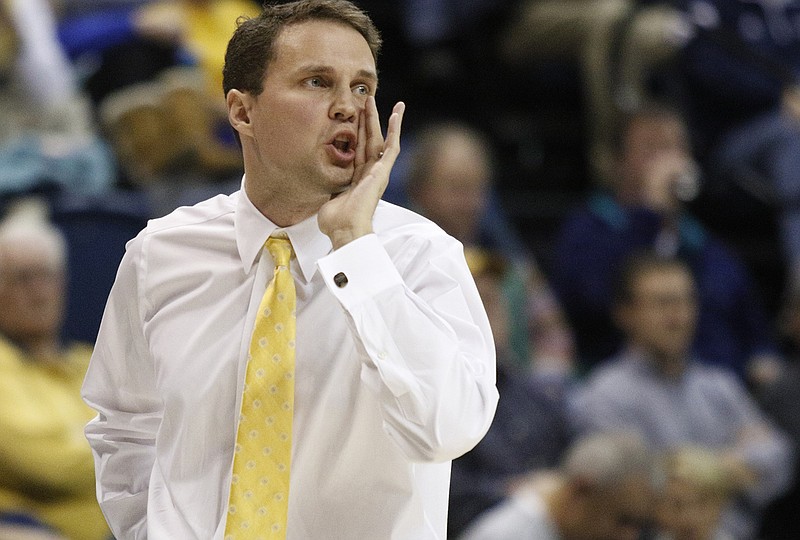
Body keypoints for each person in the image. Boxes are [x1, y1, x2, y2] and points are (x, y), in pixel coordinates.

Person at [81, 1, 499, 539]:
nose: (347, 106)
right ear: (242, 111)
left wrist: (355, 248)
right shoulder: (159, 253)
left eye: (362, 87)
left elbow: (449, 428)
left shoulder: (421, 256)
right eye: (318, 83)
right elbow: (125, 428)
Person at [551, 103, 782, 383]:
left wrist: (762, 359)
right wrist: (649, 215)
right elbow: (596, 303)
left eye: (676, 148)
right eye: (652, 148)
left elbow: (752, 327)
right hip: (628, 388)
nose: (668, 161)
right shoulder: (589, 230)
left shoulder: (703, 242)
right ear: (619, 163)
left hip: (713, 390)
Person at [570, 252, 794, 539]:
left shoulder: (719, 385)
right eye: (663, 303)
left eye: (686, 301)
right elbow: (625, 491)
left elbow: (779, 456)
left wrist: (714, 470)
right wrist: (735, 468)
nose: (678, 316)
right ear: (625, 313)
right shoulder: (604, 396)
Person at [405, 120, 575, 374]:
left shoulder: (515, 269)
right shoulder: (396, 264)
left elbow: (554, 337)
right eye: (456, 189)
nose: (470, 204)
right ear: (418, 191)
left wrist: (538, 388)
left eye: (477, 189)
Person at [0, 199, 111, 540]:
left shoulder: (90, 361)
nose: (40, 293)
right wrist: (118, 448)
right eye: (23, 278)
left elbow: (157, 438)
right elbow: (47, 467)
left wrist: (81, 441)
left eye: (48, 276)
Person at [448, 247, 572, 537]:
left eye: (493, 300)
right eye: (474, 302)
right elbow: (446, 497)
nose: (489, 313)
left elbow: (575, 465)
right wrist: (519, 493)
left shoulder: (538, 395)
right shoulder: (429, 399)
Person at [458, 431, 660, 540]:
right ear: (581, 491)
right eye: (622, 520)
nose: (628, 537)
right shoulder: (505, 535)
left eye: (637, 525)